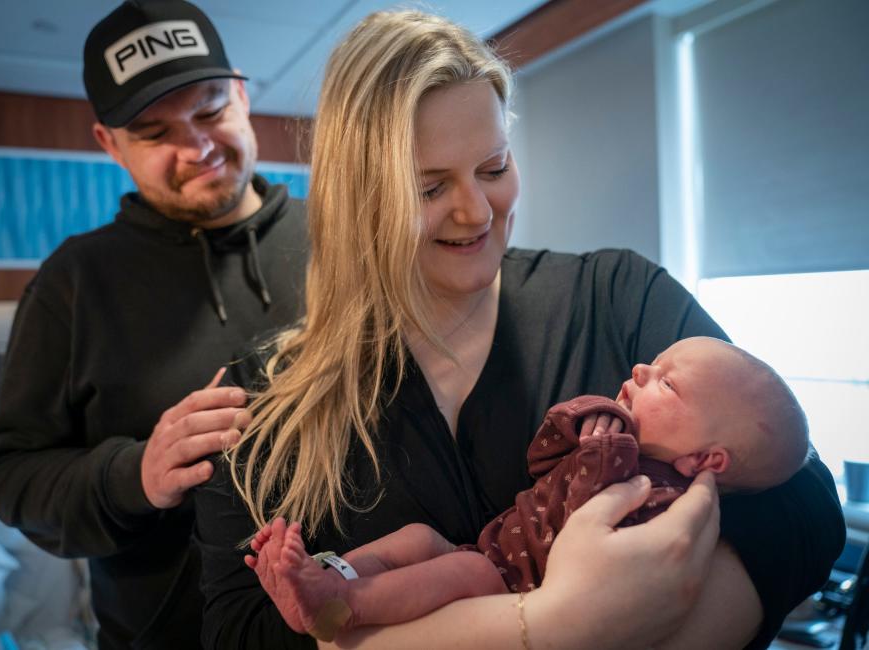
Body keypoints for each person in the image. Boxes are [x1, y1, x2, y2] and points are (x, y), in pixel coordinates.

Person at [193, 10, 844, 650]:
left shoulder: (615, 297)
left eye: (495, 167)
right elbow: (238, 630)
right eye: (428, 187)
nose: (476, 211)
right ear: (359, 197)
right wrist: (553, 629)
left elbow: (804, 506)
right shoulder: (262, 396)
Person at [0, 1, 307, 648]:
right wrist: (135, 476)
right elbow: (10, 478)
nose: (197, 147)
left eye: (210, 111)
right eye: (155, 134)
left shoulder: (343, 239)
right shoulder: (72, 284)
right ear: (110, 144)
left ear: (241, 92)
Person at [244, 336, 813, 641]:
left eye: (667, 382)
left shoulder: (666, 498)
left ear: (707, 458)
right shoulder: (615, 435)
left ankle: (342, 606)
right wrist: (586, 418)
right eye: (653, 363)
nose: (639, 370)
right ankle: (331, 571)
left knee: (461, 572)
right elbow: (541, 459)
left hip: (516, 586)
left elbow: (590, 508)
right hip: (494, 551)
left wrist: (607, 446)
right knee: (420, 539)